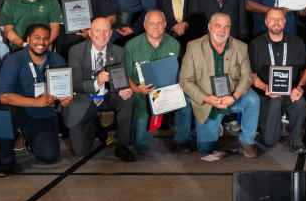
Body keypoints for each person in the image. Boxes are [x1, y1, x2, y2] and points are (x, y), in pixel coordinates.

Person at [179, 13, 260, 156]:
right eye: (218, 26)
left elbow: (247, 77)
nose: (222, 31)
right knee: (205, 149)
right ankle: (217, 125)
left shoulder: (241, 47)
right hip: (209, 102)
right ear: (209, 27)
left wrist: (234, 97)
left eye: (226, 27)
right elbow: (185, 81)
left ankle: (247, 142)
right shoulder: (193, 47)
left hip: (232, 97)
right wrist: (207, 98)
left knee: (253, 99)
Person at [0, 24, 71, 173]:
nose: (41, 42)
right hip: (19, 110)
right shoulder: (14, 60)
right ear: (28, 39)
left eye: (45, 38)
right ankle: (6, 160)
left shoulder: (57, 60)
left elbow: (62, 93)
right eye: (37, 37)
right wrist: (36, 102)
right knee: (5, 112)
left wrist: (65, 100)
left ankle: (29, 138)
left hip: (43, 113)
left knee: (49, 156)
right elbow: (4, 97)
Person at [64, 17, 136, 161]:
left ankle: (122, 145)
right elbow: (76, 84)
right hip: (85, 97)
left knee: (128, 99)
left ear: (111, 34)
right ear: (90, 33)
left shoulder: (119, 51)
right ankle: (94, 124)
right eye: (97, 31)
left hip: (107, 96)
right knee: (79, 151)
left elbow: (120, 79)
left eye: (106, 31)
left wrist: (123, 90)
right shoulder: (76, 51)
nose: (102, 35)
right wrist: (97, 82)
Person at [125, 10, 191, 153]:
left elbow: (182, 73)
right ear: (144, 25)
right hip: (143, 96)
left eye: (159, 23)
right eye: (151, 23)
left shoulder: (175, 44)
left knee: (186, 100)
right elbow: (125, 76)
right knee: (140, 145)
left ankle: (182, 141)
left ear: (165, 24)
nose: (156, 27)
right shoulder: (131, 46)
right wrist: (137, 89)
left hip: (169, 93)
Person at [248, 9, 306, 153]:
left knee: (300, 103)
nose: (276, 22)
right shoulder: (255, 44)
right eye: (272, 19)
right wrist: (265, 87)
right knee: (269, 141)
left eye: (280, 19)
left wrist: (300, 87)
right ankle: (268, 130)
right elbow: (251, 75)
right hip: (267, 95)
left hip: (290, 92)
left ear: (285, 21)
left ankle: (295, 141)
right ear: (266, 22)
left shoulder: (297, 42)